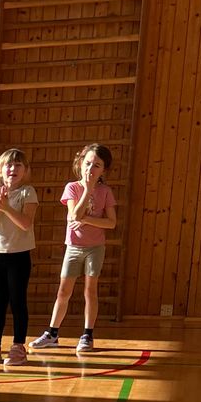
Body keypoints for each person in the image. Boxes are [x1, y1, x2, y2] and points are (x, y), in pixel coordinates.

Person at [34, 143, 116, 354]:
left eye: (97, 165)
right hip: (74, 247)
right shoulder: (72, 187)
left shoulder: (105, 191)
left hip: (95, 248)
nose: (91, 169)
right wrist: (87, 190)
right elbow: (74, 215)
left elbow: (111, 223)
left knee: (90, 290)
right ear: (80, 164)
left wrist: (86, 219)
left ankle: (87, 334)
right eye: (88, 163)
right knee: (64, 291)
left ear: (104, 170)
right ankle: (52, 333)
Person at [0, 149, 38, 365]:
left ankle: (18, 346)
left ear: (25, 170)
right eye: (8, 165)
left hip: (19, 257)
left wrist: (6, 207)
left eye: (18, 165)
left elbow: (25, 223)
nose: (13, 169)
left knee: (17, 300)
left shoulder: (27, 192)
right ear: (0, 171)